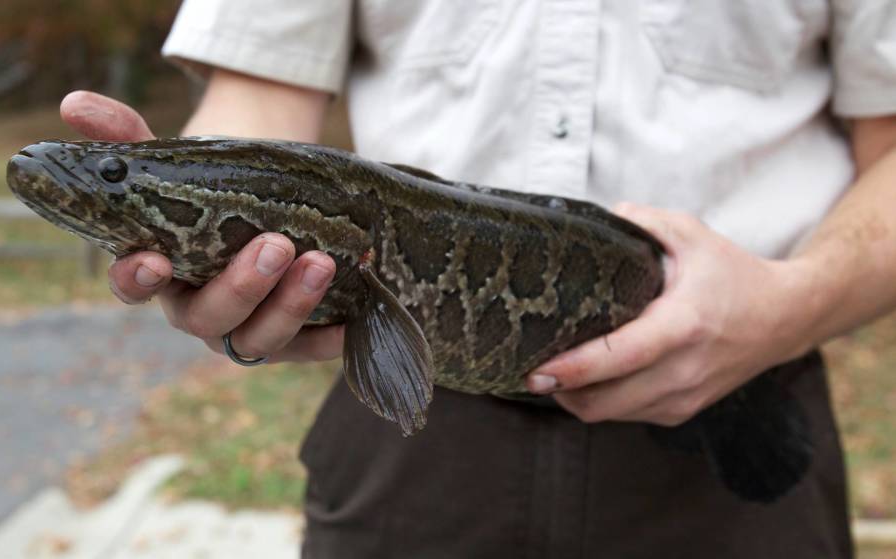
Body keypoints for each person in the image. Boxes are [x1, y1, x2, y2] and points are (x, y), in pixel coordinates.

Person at [60, 2, 896, 557]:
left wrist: (795, 303)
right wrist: (192, 202)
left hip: (743, 421)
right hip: (410, 434)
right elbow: (262, 92)